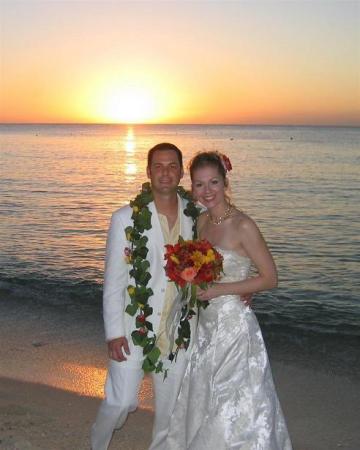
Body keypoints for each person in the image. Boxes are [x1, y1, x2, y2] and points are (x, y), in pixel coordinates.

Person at [165, 151, 292, 449]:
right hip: (206, 325)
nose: (206, 191)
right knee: (204, 395)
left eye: (213, 183)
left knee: (230, 402)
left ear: (225, 182)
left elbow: (270, 278)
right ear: (192, 186)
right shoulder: (201, 222)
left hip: (234, 327)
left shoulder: (243, 226)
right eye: (199, 184)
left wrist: (224, 290)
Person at [91, 143, 198, 450]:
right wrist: (113, 334)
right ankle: (97, 444)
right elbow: (113, 281)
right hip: (133, 325)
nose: (166, 172)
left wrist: (242, 292)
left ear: (181, 171)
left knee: (170, 412)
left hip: (177, 329)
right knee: (121, 400)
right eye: (159, 166)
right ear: (149, 171)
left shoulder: (196, 217)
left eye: (172, 165)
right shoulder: (126, 218)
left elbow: (215, 262)